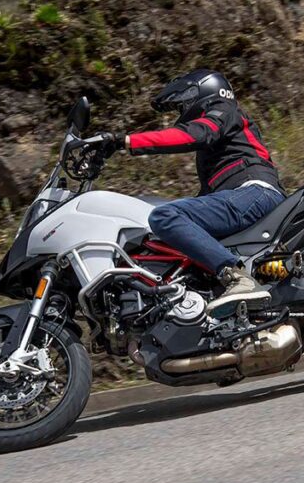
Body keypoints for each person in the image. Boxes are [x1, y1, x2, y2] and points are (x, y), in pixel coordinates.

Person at [97, 68, 285, 317]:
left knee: (164, 216)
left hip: (256, 192)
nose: (181, 111)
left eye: (182, 104)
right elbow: (204, 204)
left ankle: (236, 276)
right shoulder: (216, 153)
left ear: (199, 92)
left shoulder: (224, 109)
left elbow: (198, 133)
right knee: (168, 233)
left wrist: (125, 141)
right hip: (246, 198)